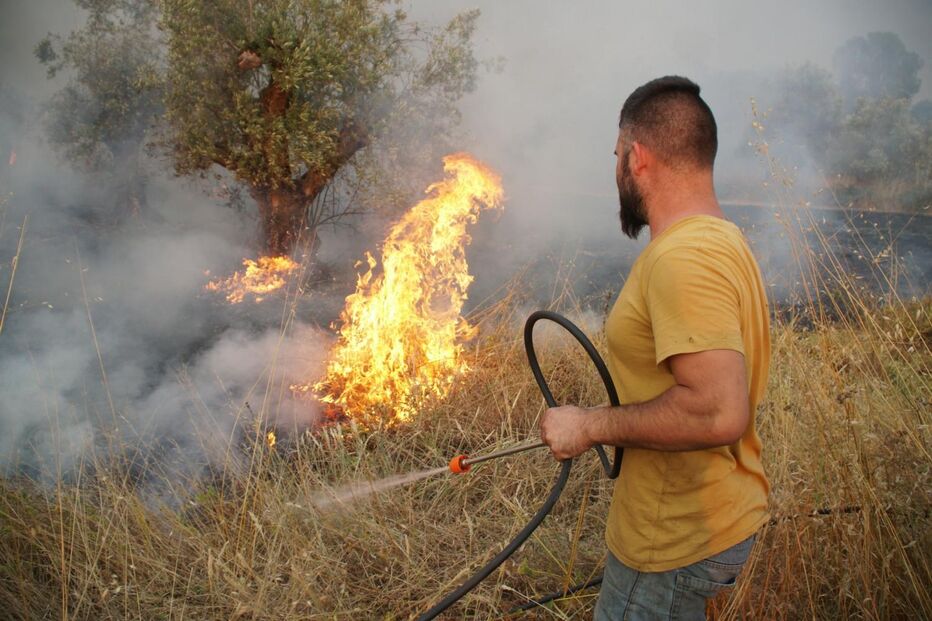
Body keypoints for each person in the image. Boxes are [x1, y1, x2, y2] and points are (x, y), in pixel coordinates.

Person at [539, 76, 771, 620]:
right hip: (709, 517)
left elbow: (717, 410)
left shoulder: (682, 258)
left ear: (637, 158)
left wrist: (589, 425)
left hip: (672, 540)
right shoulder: (722, 239)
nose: (615, 168)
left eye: (616, 155)